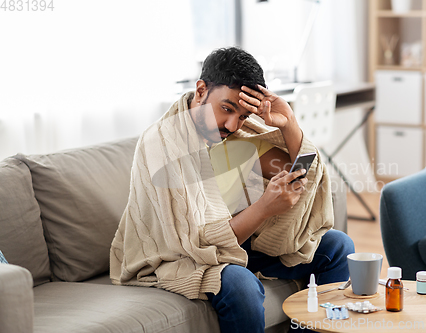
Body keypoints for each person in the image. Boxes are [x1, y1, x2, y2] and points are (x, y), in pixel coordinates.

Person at [110, 47, 354, 333]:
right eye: (226, 109)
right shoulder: (162, 144)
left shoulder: (239, 132)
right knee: (240, 284)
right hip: (180, 256)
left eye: (241, 115)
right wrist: (263, 208)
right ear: (201, 90)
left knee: (338, 246)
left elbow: (301, 175)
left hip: (236, 243)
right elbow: (195, 244)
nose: (231, 124)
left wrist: (289, 121)